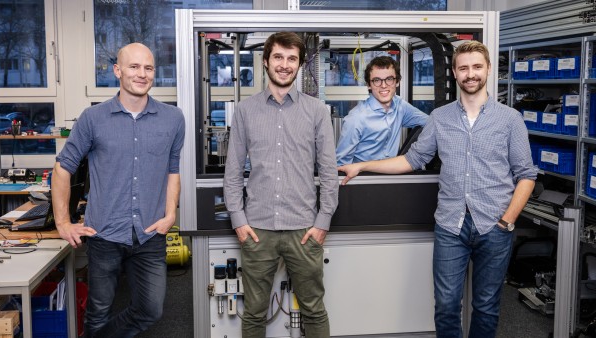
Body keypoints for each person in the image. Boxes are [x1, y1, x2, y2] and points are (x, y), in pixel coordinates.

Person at [338, 41, 537, 338]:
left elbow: (526, 175)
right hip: (450, 225)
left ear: (488, 70)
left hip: (494, 226)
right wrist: (361, 166)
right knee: (445, 305)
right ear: (455, 73)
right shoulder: (440, 118)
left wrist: (507, 220)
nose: (470, 74)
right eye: (464, 68)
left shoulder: (510, 120)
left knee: (486, 305)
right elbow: (413, 159)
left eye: (477, 67)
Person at [51, 42, 185, 338]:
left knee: (151, 309)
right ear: (117, 71)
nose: (142, 74)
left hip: (151, 233)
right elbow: (62, 169)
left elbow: (173, 170)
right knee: (98, 312)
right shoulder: (93, 118)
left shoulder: (173, 119)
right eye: (134, 66)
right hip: (104, 234)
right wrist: (62, 222)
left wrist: (170, 213)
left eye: (148, 68)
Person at [223, 31, 339, 338]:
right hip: (257, 230)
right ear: (265, 62)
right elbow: (232, 172)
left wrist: (322, 223)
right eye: (278, 57)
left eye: (291, 59)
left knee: (314, 309)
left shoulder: (316, 111)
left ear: (300, 65)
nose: (284, 65)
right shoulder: (246, 111)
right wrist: (238, 221)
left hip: (304, 229)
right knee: (254, 313)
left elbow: (329, 172)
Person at [335, 55, 428, 166]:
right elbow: (341, 166)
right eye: (377, 80)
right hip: (363, 179)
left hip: (392, 176)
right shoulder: (356, 119)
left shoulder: (400, 106)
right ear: (369, 85)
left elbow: (432, 122)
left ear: (397, 82)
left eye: (389, 79)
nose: (383, 85)